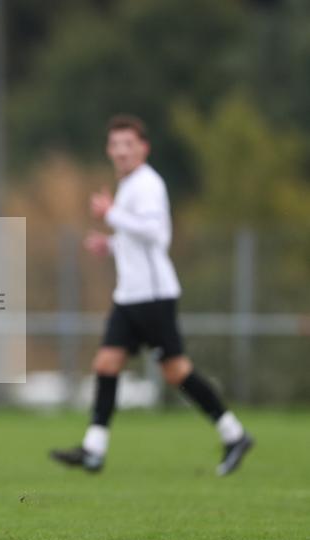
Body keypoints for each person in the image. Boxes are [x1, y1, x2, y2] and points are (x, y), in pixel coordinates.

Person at [50, 114, 253, 476]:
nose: (122, 151)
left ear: (144, 148)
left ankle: (233, 433)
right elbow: (135, 238)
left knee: (177, 372)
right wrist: (110, 245)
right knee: (106, 364)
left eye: (129, 144)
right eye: (115, 145)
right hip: (129, 297)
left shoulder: (148, 184)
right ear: (109, 150)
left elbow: (157, 235)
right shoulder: (129, 185)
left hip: (154, 297)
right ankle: (94, 449)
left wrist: (112, 214)